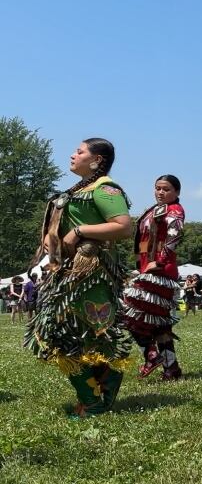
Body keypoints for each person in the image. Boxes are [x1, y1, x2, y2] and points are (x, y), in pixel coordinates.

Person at [23, 138, 134, 418]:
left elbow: (123, 227)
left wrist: (81, 230)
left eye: (80, 151)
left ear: (97, 160)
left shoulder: (105, 188)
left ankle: (95, 400)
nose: (73, 155)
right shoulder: (79, 189)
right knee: (62, 333)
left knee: (72, 334)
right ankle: (99, 387)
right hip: (67, 271)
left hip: (90, 273)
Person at [123, 174, 186, 381]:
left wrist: (159, 261)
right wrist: (140, 264)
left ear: (176, 192)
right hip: (147, 270)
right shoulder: (153, 210)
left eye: (166, 189)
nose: (160, 192)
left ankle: (151, 355)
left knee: (127, 313)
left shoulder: (174, 210)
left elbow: (174, 235)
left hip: (159, 271)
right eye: (157, 188)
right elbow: (143, 241)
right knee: (159, 323)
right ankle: (171, 368)